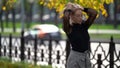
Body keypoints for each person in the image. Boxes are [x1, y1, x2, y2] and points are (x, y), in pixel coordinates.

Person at [62, 3, 97, 68]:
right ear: (72, 16)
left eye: (81, 15)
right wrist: (69, 8)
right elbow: (66, 17)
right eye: (78, 16)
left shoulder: (84, 26)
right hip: (75, 59)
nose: (80, 18)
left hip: (86, 57)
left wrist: (83, 8)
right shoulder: (68, 28)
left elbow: (94, 13)